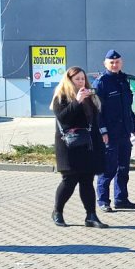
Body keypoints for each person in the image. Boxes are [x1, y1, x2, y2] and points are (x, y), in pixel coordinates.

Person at [50, 67, 108, 228]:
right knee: (69, 180)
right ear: (69, 80)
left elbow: (94, 121)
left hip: (87, 144)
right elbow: (63, 118)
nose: (81, 81)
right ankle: (57, 212)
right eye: (77, 79)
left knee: (87, 180)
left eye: (83, 78)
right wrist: (77, 101)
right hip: (69, 145)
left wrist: (100, 139)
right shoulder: (61, 97)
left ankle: (91, 216)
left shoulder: (90, 97)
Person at [93, 50, 135, 212]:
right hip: (109, 134)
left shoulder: (123, 80)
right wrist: (103, 132)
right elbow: (96, 111)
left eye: (117, 62)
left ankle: (121, 199)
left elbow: (127, 107)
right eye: (111, 62)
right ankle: (103, 201)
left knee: (123, 168)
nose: (115, 65)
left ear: (121, 62)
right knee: (108, 169)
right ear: (105, 64)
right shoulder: (101, 83)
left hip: (124, 132)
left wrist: (133, 125)